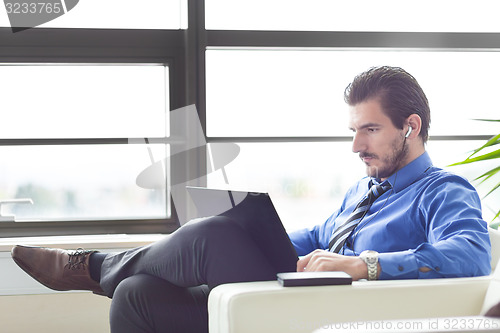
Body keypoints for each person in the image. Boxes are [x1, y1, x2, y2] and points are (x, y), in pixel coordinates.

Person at [11, 66, 491, 332]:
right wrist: (260, 233)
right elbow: (319, 237)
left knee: (213, 237)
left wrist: (363, 264)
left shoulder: (445, 191)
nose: (356, 146)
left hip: (339, 314)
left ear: (411, 127)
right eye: (353, 130)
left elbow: (471, 254)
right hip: (296, 301)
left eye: (370, 129)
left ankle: (91, 267)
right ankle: (109, 273)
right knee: (138, 297)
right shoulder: (363, 191)